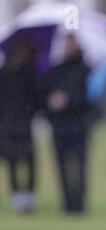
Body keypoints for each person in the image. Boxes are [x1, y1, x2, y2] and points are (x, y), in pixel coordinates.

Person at [45, 34, 92, 214]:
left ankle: (79, 204)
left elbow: (88, 98)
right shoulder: (56, 70)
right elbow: (46, 93)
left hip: (79, 125)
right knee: (61, 167)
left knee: (80, 166)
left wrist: (68, 100)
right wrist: (52, 102)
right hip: (60, 126)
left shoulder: (85, 69)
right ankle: (67, 204)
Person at [0, 38, 41, 213]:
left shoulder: (29, 74)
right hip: (7, 125)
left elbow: (36, 98)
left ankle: (29, 198)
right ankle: (17, 199)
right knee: (12, 162)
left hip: (24, 124)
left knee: (29, 161)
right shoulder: (4, 74)